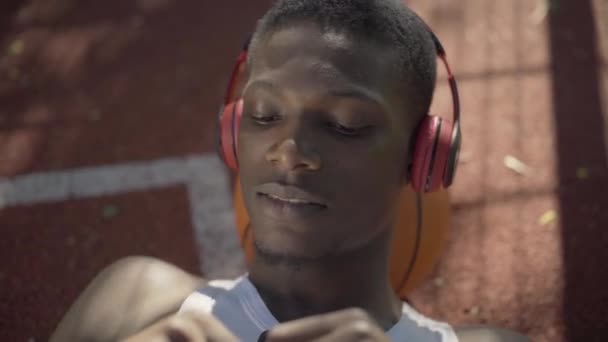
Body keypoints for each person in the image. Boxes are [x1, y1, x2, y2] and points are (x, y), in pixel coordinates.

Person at [50, 1, 529, 341]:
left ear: (424, 157)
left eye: (345, 124)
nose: (290, 151)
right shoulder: (134, 301)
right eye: (263, 114)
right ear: (233, 132)